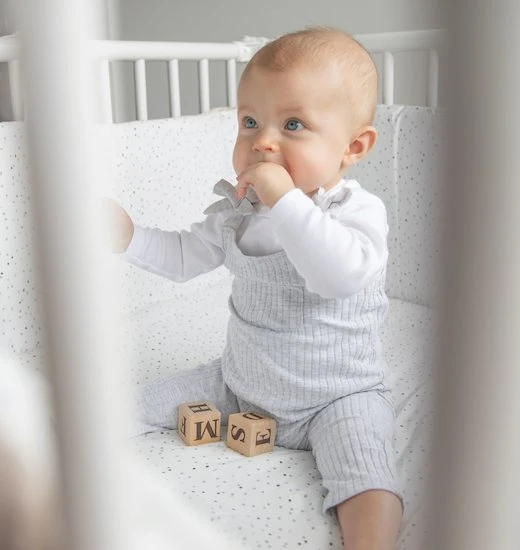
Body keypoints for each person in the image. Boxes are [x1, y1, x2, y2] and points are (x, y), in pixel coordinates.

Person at [103, 27, 403, 550]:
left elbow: (338, 276)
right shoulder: (237, 213)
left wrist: (287, 201)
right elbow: (182, 258)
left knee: (366, 474)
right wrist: (129, 237)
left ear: (353, 147)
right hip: (239, 384)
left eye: (293, 125)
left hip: (336, 397)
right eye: (249, 122)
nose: (262, 141)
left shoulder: (356, 212)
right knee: (126, 406)